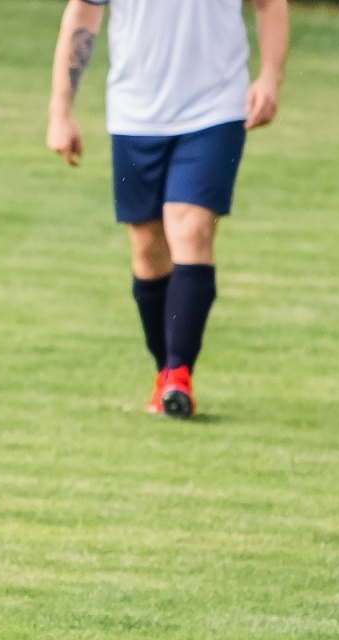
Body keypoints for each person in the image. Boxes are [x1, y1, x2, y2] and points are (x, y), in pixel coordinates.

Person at [46, 0, 288, 417]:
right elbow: (83, 15)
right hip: (134, 114)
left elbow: (270, 4)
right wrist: (60, 111)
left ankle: (179, 374)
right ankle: (167, 375)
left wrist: (270, 76)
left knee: (191, 227)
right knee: (146, 244)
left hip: (216, 107)